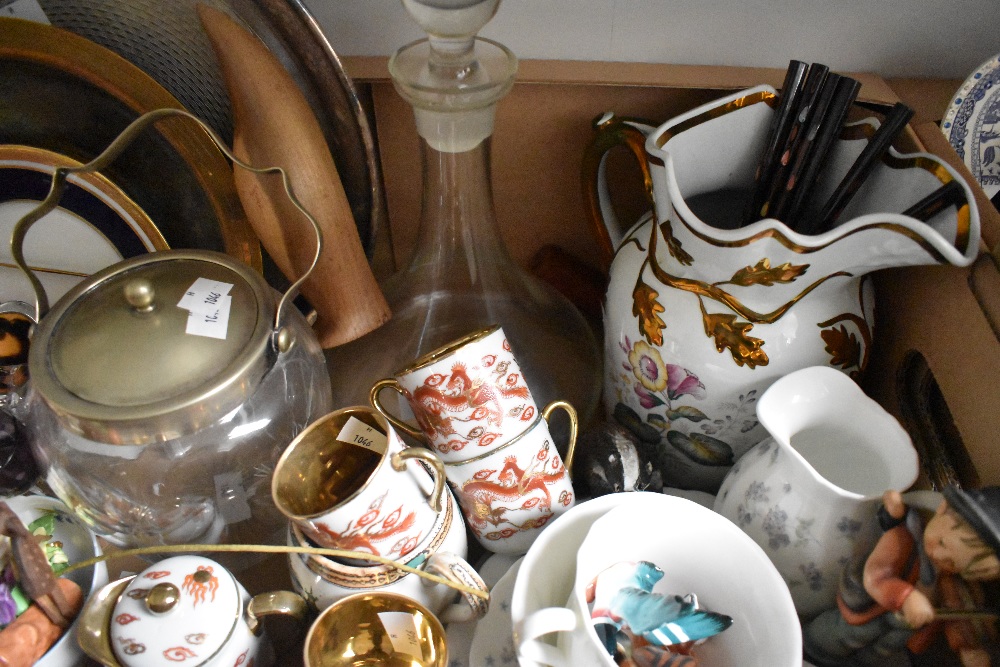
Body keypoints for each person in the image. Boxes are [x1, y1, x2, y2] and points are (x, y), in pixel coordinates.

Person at [803, 485, 1000, 667]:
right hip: (871, 611)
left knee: (882, 652)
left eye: (953, 563)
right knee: (845, 634)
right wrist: (906, 597)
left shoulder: (949, 580)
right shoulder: (902, 539)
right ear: (943, 508)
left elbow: (958, 613)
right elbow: (876, 576)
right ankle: (812, 648)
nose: (939, 556)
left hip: (900, 632)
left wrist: (968, 649)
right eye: (941, 542)